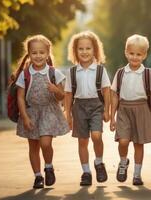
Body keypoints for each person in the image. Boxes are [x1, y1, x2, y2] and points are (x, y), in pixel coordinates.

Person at [14, 34, 69, 188]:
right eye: (34, 53)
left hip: (49, 112)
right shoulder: (25, 74)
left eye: (41, 52)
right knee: (33, 146)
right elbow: (20, 97)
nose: (38, 56)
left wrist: (55, 90)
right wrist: (24, 117)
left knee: (45, 143)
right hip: (31, 113)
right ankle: (38, 176)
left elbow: (62, 96)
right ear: (29, 54)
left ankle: (49, 166)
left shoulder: (53, 73)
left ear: (47, 53)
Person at [110, 34, 151, 186]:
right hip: (124, 109)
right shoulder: (120, 73)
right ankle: (123, 162)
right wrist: (112, 116)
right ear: (126, 52)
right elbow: (114, 95)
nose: (134, 57)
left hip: (141, 109)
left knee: (139, 143)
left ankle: (137, 174)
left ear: (144, 55)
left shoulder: (148, 74)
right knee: (123, 141)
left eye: (138, 54)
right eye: (131, 53)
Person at [64, 31, 111, 186]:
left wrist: (107, 110)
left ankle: (99, 163)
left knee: (97, 136)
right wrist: (67, 114)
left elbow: (106, 91)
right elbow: (68, 94)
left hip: (97, 105)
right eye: (81, 49)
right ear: (75, 51)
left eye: (88, 48)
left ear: (95, 50)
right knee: (82, 141)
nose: (84, 52)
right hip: (79, 107)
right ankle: (86, 172)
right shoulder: (71, 72)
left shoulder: (100, 70)